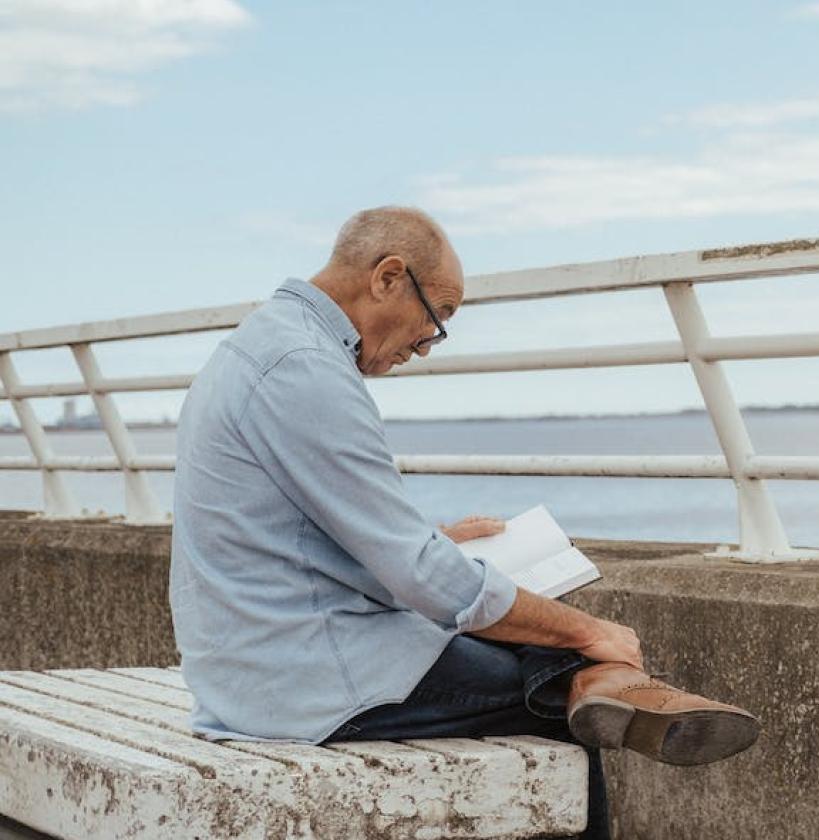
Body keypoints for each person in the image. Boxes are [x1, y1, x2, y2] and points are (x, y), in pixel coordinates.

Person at [168, 206, 758, 840]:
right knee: (557, 706)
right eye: (438, 316)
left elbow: (305, 533)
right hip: (305, 681)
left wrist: (435, 544)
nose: (426, 344)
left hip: (255, 661)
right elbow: (426, 580)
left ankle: (602, 678)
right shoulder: (305, 371)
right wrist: (592, 629)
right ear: (388, 278)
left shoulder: (264, 346)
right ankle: (607, 676)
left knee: (528, 642)